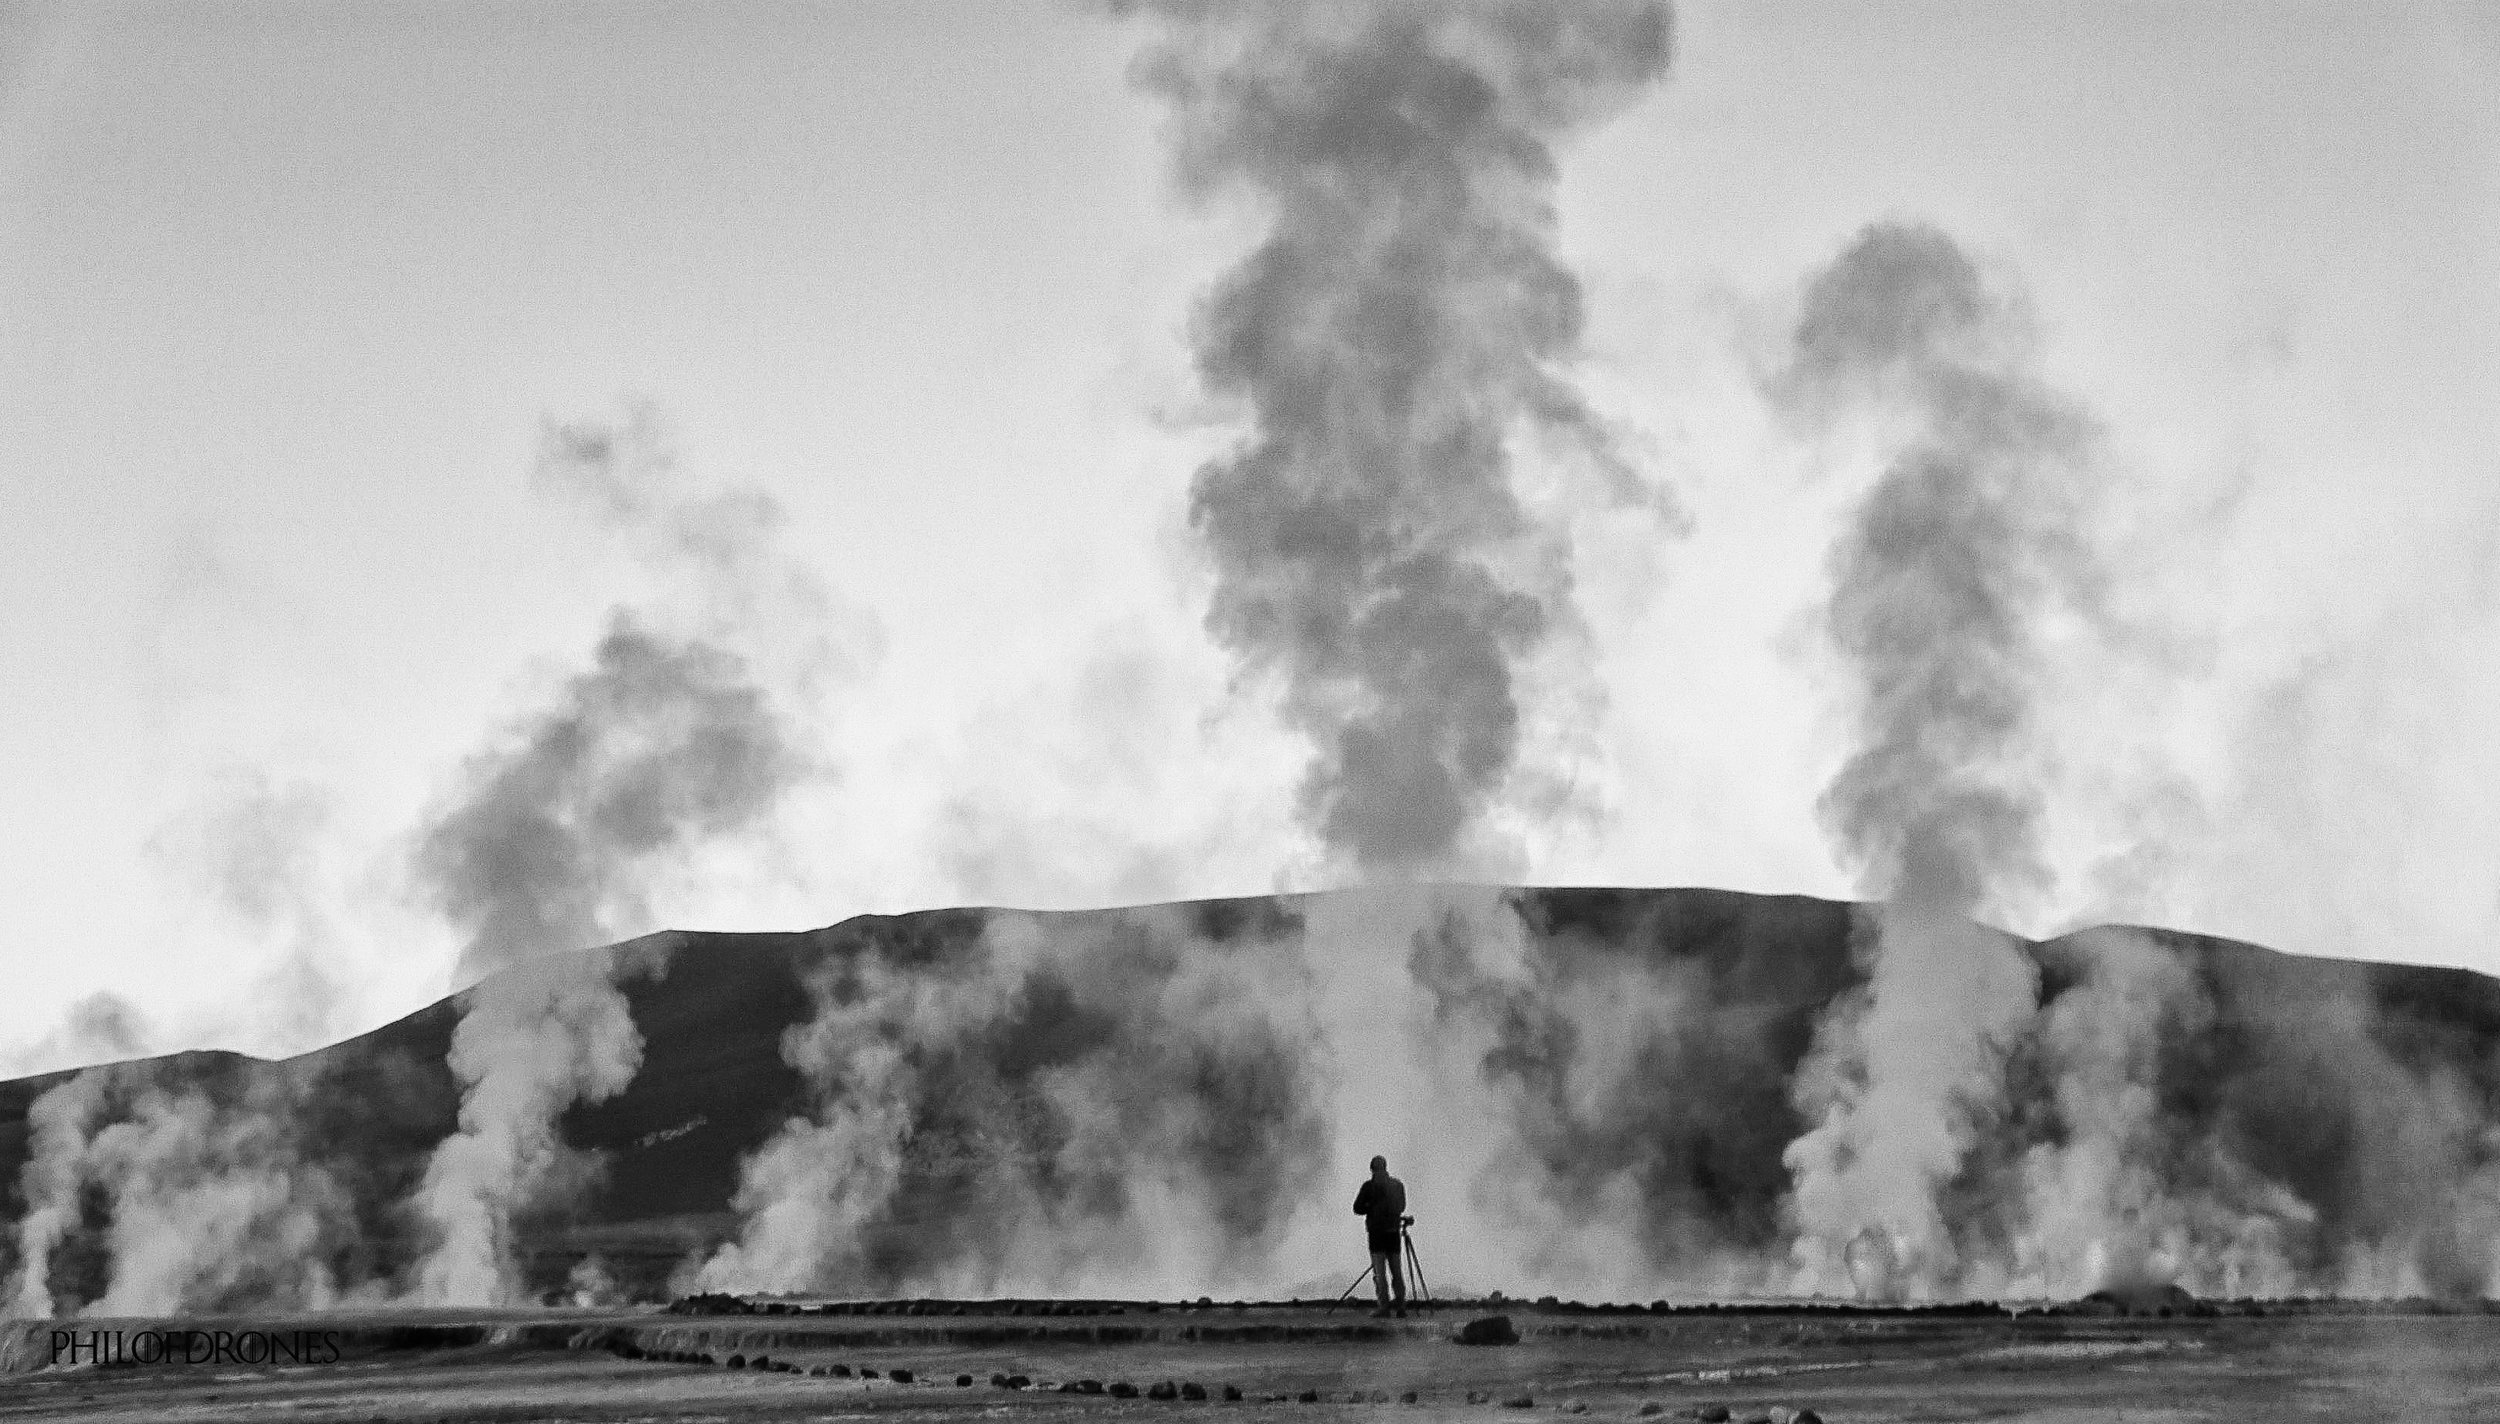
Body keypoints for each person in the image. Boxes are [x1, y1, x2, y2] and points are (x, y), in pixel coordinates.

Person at [1351, 1155, 1407, 1317]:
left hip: (1376, 1235)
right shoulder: (1397, 1185)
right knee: (1396, 1271)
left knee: (1380, 1272)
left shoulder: (1368, 1187)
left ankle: (1384, 1307)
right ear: (1385, 1167)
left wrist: (1370, 1206)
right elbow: (1401, 1207)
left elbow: (1357, 1208)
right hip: (1393, 1233)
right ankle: (1401, 1305)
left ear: (1372, 1169)